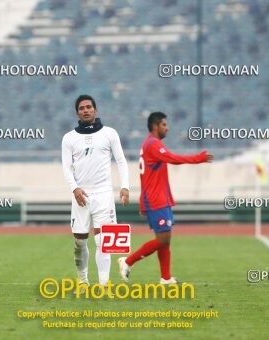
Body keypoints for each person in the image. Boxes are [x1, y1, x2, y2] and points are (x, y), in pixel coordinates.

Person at [118, 112, 213, 284]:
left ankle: (165, 277)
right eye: (163, 124)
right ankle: (128, 261)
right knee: (163, 239)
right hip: (156, 199)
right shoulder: (153, 144)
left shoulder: (151, 144)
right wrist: (197, 159)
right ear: (155, 126)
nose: (167, 127)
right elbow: (172, 158)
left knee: (164, 240)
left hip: (158, 198)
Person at [62, 94, 129, 289]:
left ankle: (103, 284)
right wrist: (74, 189)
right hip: (81, 197)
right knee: (80, 243)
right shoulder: (69, 138)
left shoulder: (109, 133)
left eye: (89, 107)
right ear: (77, 112)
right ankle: (83, 281)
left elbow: (121, 161)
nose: (86, 110)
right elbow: (66, 167)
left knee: (103, 241)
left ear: (95, 110)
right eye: (82, 108)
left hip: (104, 195)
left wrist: (125, 186)